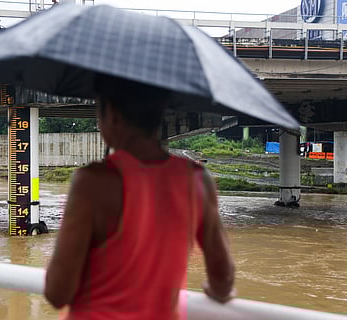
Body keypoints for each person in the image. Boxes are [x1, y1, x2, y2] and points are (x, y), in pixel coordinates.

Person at [44, 73, 235, 319]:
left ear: (111, 113)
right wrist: (210, 290)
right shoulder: (197, 179)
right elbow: (223, 280)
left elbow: (58, 292)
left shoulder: (93, 182)